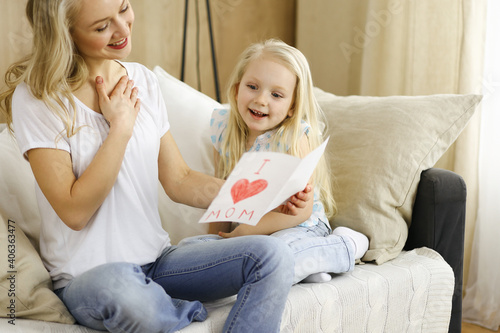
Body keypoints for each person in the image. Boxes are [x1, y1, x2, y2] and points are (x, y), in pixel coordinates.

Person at [0, 1, 306, 332]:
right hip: (90, 277)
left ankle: (163, 305)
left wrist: (263, 196)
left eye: (124, 8)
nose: (123, 27)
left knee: (273, 257)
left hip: (158, 263)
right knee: (123, 290)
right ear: (66, 34)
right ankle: (175, 312)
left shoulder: (142, 81)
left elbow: (179, 180)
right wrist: (120, 128)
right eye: (102, 26)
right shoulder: (39, 98)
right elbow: (75, 212)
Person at [205, 39, 369, 284]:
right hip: (251, 235)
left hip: (299, 227)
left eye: (276, 94)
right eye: (252, 86)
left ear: (292, 106)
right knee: (195, 249)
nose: (261, 100)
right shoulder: (223, 130)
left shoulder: (293, 138)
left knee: (272, 256)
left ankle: (347, 244)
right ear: (237, 89)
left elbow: (299, 213)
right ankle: (307, 267)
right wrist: (215, 241)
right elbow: (222, 196)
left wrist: (247, 231)